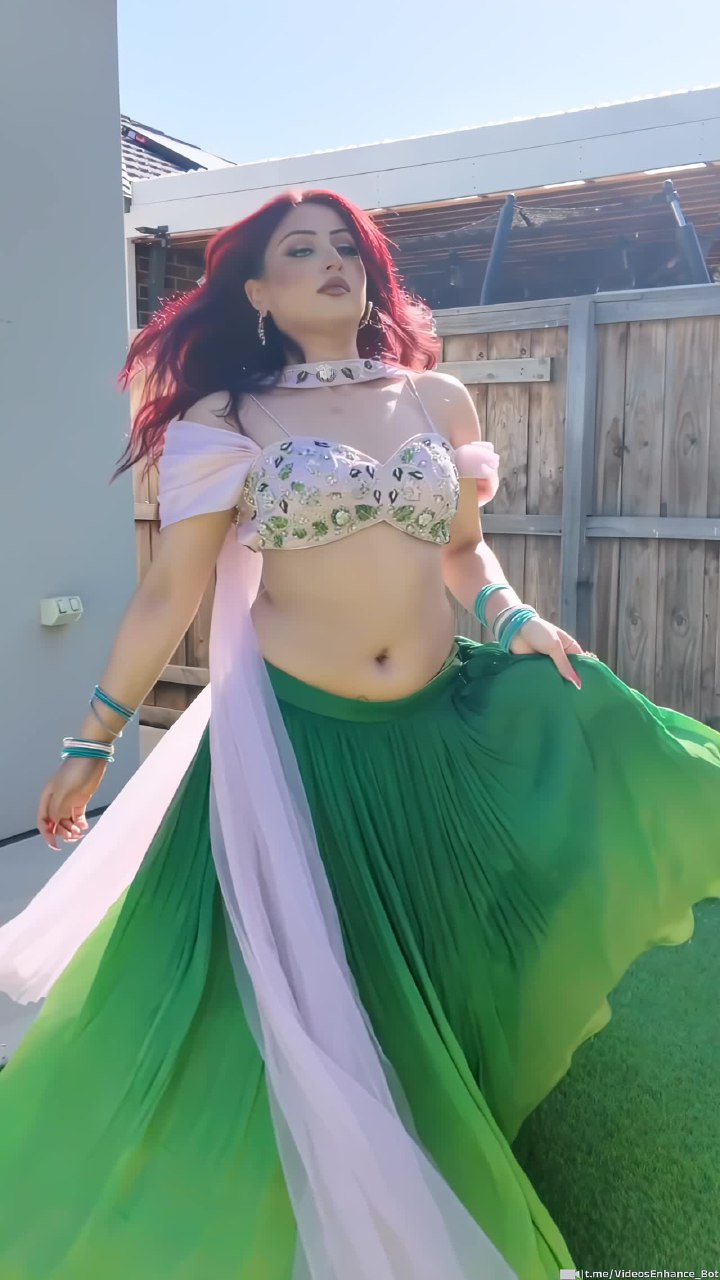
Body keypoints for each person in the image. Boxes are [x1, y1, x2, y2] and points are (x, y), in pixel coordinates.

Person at [0, 188, 717, 1280]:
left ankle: (436, 1133)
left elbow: (463, 550)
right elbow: (169, 593)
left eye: (348, 246)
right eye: (302, 249)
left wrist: (514, 619)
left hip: (434, 730)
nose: (334, 261)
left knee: (436, 949)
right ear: (257, 289)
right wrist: (93, 738)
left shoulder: (436, 397)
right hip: (300, 747)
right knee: (272, 997)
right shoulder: (227, 419)